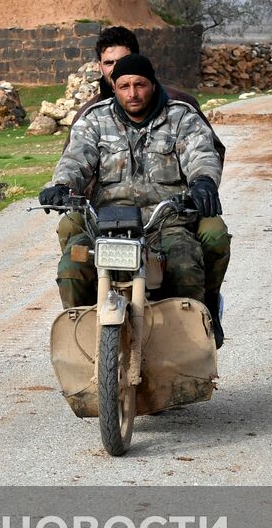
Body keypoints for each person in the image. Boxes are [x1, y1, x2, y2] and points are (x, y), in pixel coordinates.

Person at [55, 27, 232, 344]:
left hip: (166, 222)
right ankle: (80, 341)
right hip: (106, 223)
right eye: (124, 86)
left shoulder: (181, 115)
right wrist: (61, 184)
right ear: (113, 84)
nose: (132, 93)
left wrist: (203, 182)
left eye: (140, 85)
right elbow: (76, 157)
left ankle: (190, 340)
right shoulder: (95, 118)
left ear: (153, 84)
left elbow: (202, 153)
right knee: (72, 265)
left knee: (187, 263)